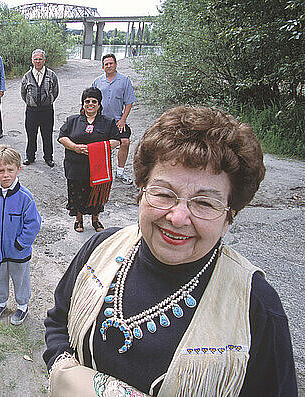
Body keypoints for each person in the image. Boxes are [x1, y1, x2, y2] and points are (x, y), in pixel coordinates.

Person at [44, 106, 297, 396]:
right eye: (164, 194)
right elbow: (57, 323)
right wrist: (65, 373)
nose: (178, 218)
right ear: (140, 192)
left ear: (229, 216)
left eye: (204, 203)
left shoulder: (256, 308)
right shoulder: (99, 249)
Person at [0, 144, 42, 326]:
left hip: (19, 252)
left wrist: (21, 243)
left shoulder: (25, 197)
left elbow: (33, 223)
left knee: (20, 279)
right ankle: (0, 302)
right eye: (1, 170)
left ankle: (22, 305)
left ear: (18, 169)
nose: (6, 174)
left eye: (10, 170)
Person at [58, 87, 120, 233]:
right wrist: (74, 147)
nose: (90, 104)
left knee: (96, 193)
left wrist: (97, 148)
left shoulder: (108, 122)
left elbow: (116, 140)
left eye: (94, 101)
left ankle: (95, 219)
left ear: (99, 104)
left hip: (98, 167)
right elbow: (62, 137)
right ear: (83, 103)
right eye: (87, 101)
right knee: (77, 191)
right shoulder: (72, 120)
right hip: (76, 166)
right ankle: (78, 219)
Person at [92, 53, 136, 185]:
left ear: (116, 65)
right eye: (106, 64)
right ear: (102, 67)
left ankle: (120, 172)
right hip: (101, 120)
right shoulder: (97, 82)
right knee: (100, 145)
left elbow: (129, 102)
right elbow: (91, 101)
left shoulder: (124, 80)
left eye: (111, 63)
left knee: (125, 142)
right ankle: (100, 171)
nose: (109, 66)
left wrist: (123, 120)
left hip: (117, 120)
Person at [21, 49, 59, 167]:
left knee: (47, 134)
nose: (38, 61)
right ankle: (30, 156)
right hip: (31, 111)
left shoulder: (51, 75)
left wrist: (48, 101)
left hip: (47, 110)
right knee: (31, 135)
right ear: (32, 60)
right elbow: (23, 93)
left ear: (44, 60)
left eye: (40, 59)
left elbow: (56, 91)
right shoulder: (26, 76)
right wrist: (31, 102)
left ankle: (48, 157)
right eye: (35, 59)